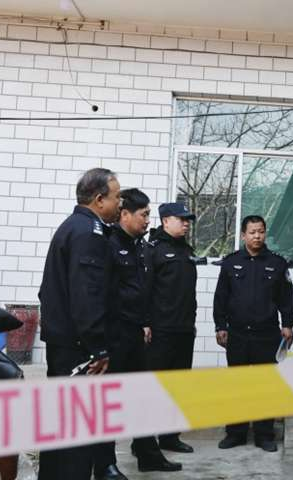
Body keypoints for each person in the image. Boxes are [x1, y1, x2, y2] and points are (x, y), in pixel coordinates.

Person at [38, 168, 120, 480]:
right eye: (116, 197)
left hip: (65, 344)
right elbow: (88, 296)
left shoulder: (72, 227)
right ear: (99, 200)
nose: (119, 203)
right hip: (79, 349)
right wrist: (98, 347)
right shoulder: (89, 233)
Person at [93, 189, 182, 476]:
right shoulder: (107, 244)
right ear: (124, 214)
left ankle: (148, 454)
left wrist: (144, 321)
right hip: (114, 335)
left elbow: (141, 289)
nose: (147, 220)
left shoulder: (140, 246)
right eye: (143, 215)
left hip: (134, 334)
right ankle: (105, 464)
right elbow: (103, 293)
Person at [213, 215, 293, 453]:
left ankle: (264, 435)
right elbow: (221, 298)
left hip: (266, 334)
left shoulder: (277, 263)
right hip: (237, 334)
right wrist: (220, 326)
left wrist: (288, 324)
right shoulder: (231, 263)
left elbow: (286, 298)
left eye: (261, 231)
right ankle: (236, 433)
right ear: (243, 235)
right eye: (252, 232)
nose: (257, 236)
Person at [144, 202, 198, 454]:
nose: (186, 223)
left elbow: (188, 293)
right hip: (160, 331)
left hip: (183, 330)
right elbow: (145, 290)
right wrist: (145, 323)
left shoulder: (187, 251)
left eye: (188, 220)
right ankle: (144, 442)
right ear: (166, 221)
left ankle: (169, 437)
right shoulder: (152, 250)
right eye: (181, 219)